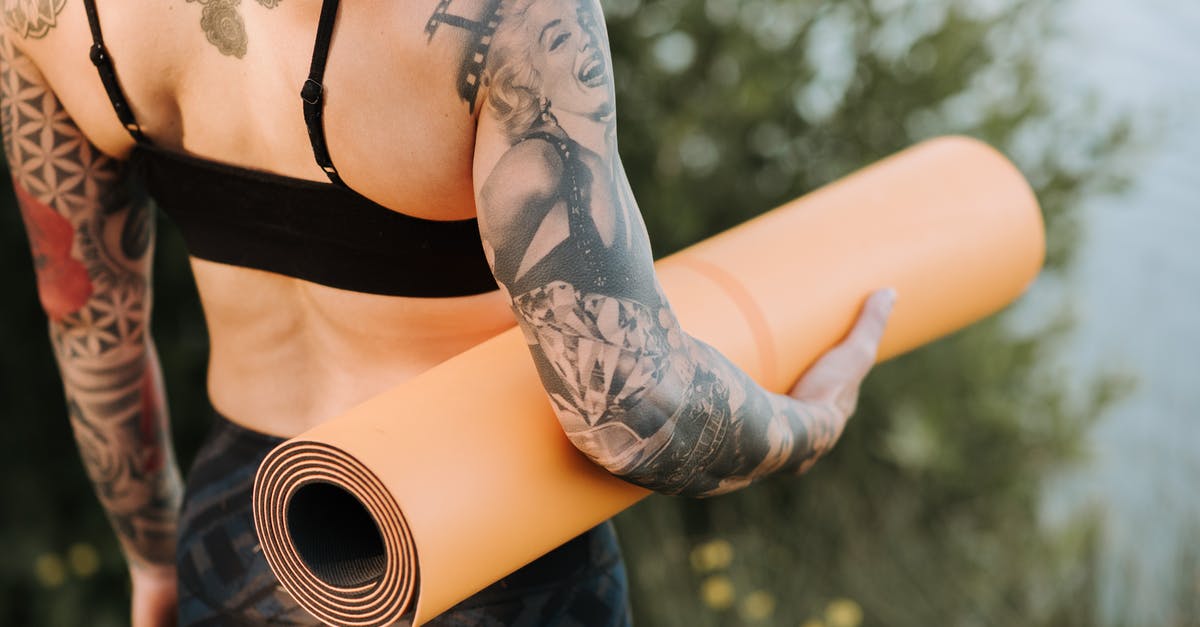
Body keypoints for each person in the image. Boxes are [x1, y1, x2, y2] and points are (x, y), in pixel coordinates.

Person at [3, 0, 894, 624]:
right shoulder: (507, 13)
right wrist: (805, 420)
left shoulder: (44, 15)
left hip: (244, 542)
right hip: (490, 556)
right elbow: (629, 407)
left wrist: (157, 557)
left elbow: (91, 324)